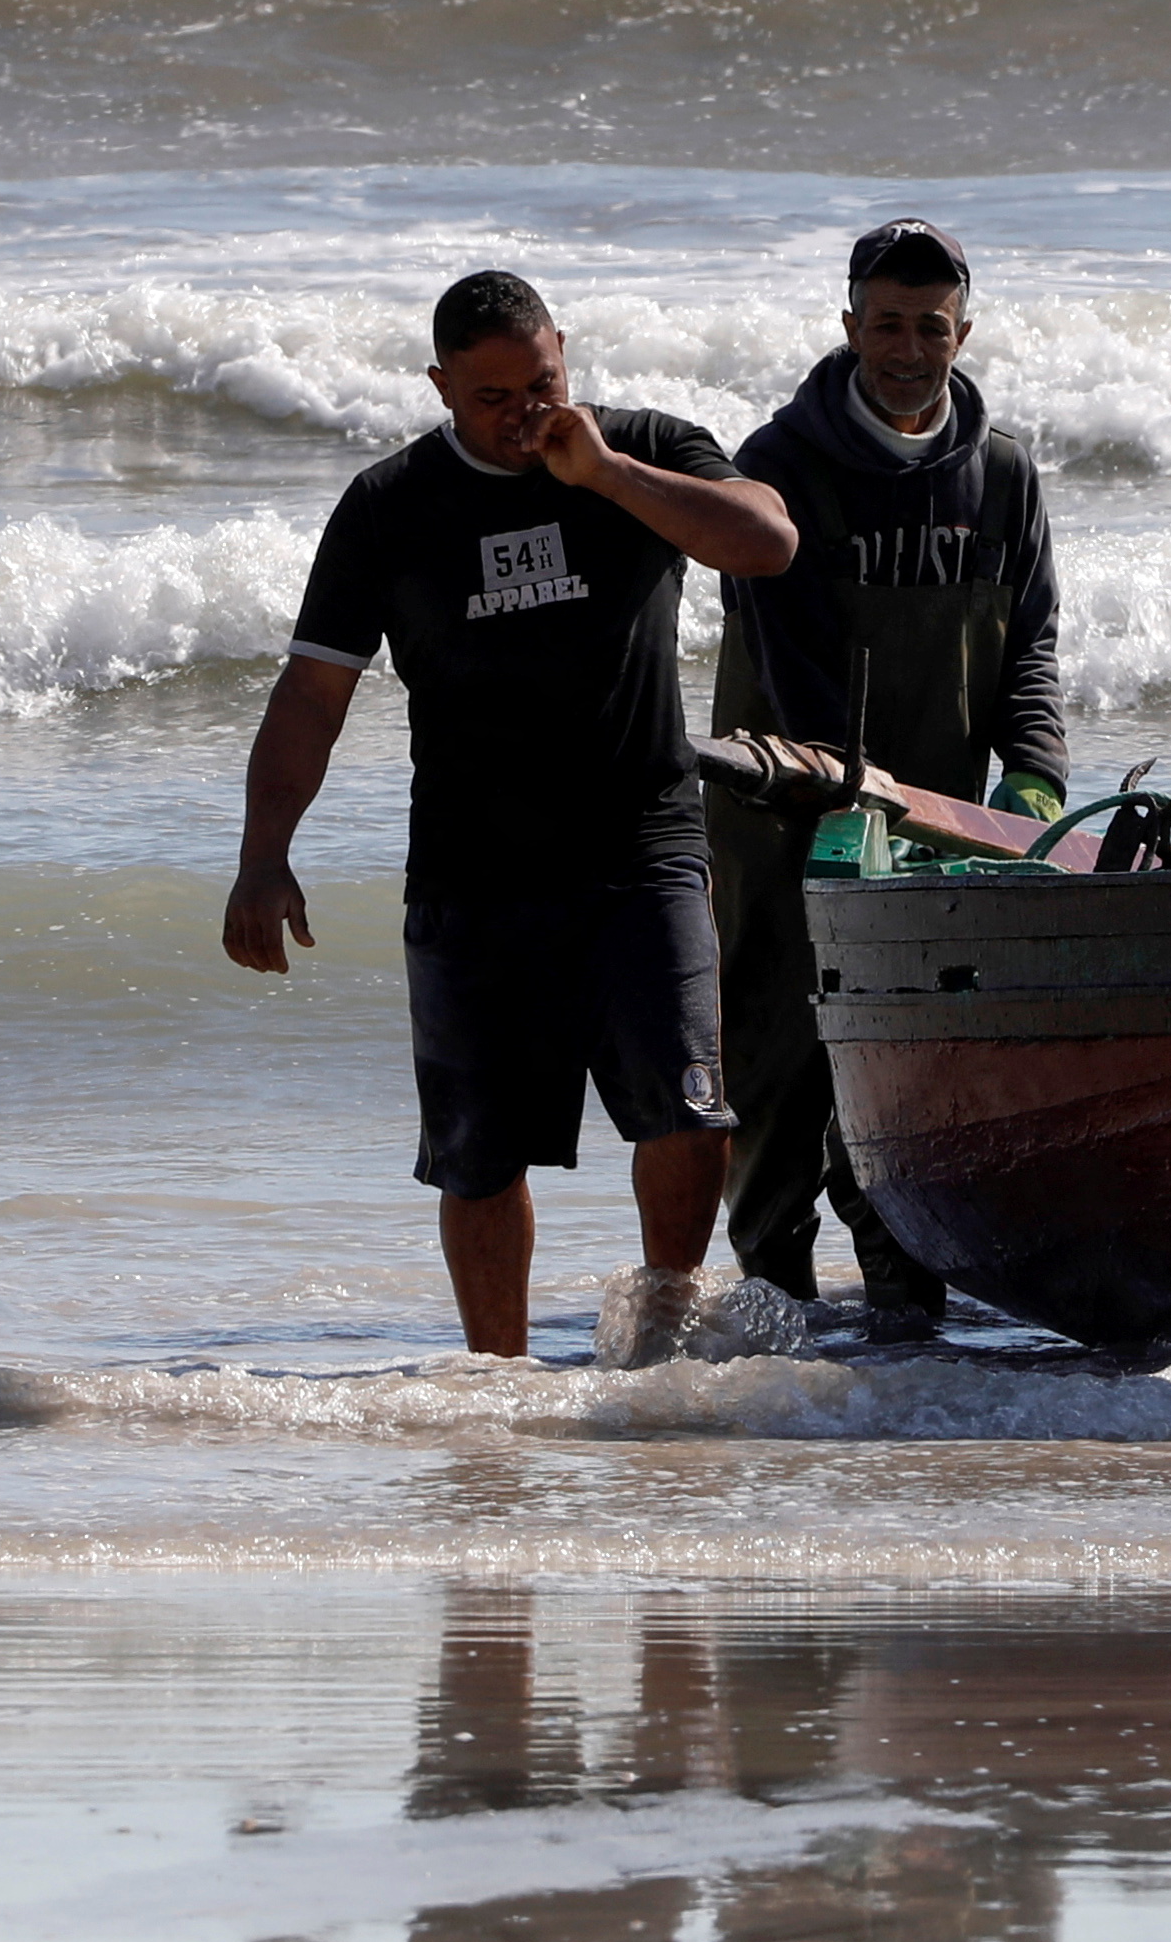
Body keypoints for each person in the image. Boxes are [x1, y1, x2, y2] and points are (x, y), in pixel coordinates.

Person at [228, 269, 803, 1362]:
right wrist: (264, 857)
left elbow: (767, 540)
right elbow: (312, 692)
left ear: (564, 353)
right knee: (480, 1158)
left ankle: (660, 1336)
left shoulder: (645, 449)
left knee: (688, 1115)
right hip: (472, 873)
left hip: (645, 850)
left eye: (538, 382)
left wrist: (611, 475)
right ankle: (501, 1378)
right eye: (489, 395)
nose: (521, 412)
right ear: (440, 386)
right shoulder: (390, 507)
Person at [704, 217, 1070, 1325]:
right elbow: (791, 661)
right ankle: (773, 1313)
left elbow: (1032, 642)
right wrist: (862, 792)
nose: (908, 349)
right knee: (779, 1073)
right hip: (785, 825)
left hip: (938, 833)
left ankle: (907, 1327)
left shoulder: (1002, 476)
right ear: (848, 324)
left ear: (964, 331)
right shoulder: (776, 469)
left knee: (911, 1081)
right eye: (886, 325)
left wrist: (1036, 779)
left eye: (932, 327)